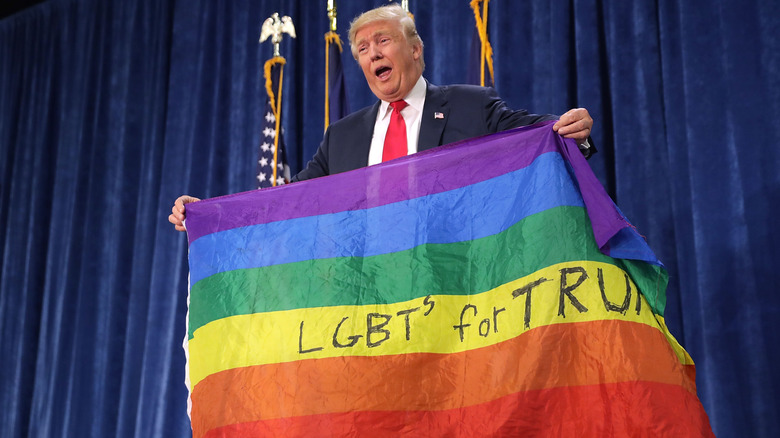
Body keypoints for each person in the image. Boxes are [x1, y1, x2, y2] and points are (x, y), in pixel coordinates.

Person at [169, 4, 593, 232]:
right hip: (373, 288)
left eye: (382, 40)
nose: (371, 53)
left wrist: (571, 130)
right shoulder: (342, 137)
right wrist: (210, 212)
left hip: (456, 277)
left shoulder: (469, 105)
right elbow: (287, 200)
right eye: (362, 49)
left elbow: (534, 134)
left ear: (415, 50)